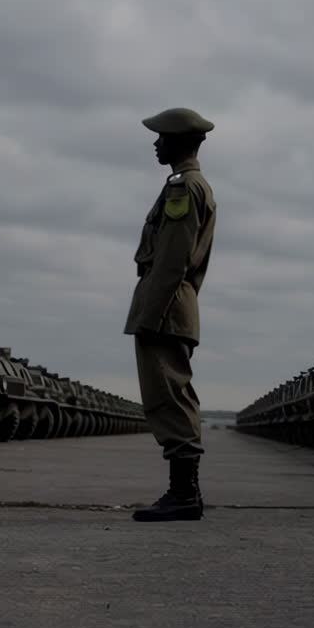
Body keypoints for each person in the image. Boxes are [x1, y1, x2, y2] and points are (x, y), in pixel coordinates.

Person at [124, 107, 217, 522]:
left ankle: (183, 494)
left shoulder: (184, 188)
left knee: (169, 398)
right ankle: (184, 492)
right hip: (171, 305)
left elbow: (172, 260)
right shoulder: (185, 184)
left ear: (178, 142)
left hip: (164, 307)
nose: (155, 144)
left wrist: (152, 313)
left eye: (161, 137)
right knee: (171, 395)